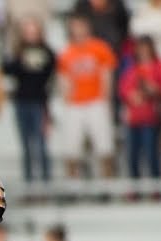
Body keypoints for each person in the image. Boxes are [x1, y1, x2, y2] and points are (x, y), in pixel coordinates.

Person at [58, 15, 118, 178]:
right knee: (71, 148)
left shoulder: (100, 48)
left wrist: (105, 99)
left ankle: (107, 181)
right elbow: (64, 79)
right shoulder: (67, 52)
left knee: (104, 146)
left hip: (96, 101)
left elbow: (107, 74)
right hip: (76, 103)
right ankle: (73, 183)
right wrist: (67, 100)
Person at [2, 17, 56, 183]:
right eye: (27, 32)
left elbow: (48, 72)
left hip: (39, 101)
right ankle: (29, 180)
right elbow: (7, 69)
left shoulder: (47, 52)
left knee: (40, 142)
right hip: (22, 101)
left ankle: (45, 179)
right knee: (25, 144)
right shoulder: (18, 52)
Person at [120, 37, 161, 185]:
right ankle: (134, 189)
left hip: (151, 118)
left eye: (146, 48)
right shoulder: (132, 67)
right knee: (132, 156)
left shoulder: (159, 67)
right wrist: (131, 96)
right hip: (133, 118)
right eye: (140, 48)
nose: (143, 51)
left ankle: (157, 189)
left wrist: (155, 90)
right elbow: (123, 88)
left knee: (152, 155)